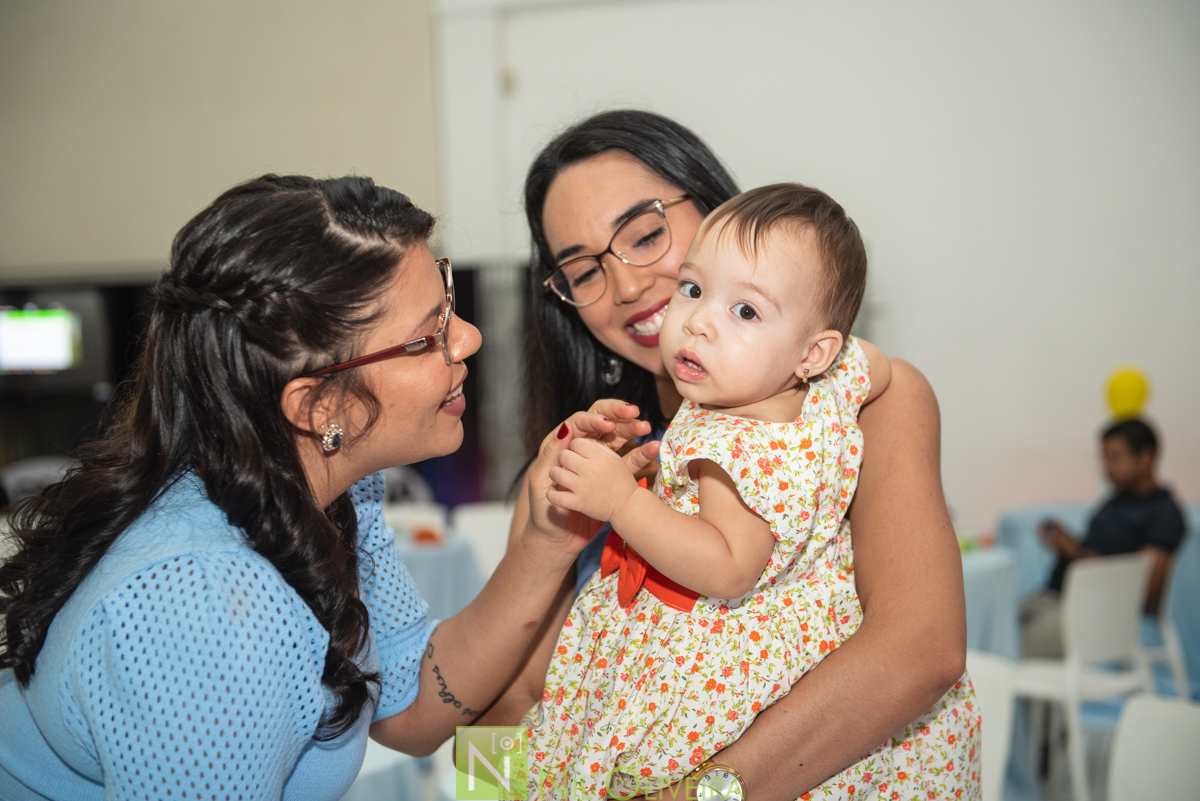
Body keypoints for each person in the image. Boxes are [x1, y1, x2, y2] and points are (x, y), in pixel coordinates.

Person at [0, 175, 647, 800]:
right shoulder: (207, 603)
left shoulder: (330, 488)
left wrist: (546, 539)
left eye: (448, 302)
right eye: (427, 337)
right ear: (316, 407)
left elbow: (414, 707)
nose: (468, 338)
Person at [480, 110, 972, 801]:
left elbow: (923, 650)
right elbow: (510, 699)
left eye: (646, 234)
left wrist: (701, 796)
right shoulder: (588, 455)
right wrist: (490, 797)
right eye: (583, 271)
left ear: (718, 210)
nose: (626, 285)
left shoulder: (851, 410)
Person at [1022, 417, 1188, 659]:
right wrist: (1068, 544)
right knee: (984, 623)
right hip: (1054, 598)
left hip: (1091, 616)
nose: (1107, 468)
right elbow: (1097, 552)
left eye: (1116, 458)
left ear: (1146, 456)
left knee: (1013, 647)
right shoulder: (1114, 502)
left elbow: (1138, 590)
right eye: (1104, 459)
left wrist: (1075, 554)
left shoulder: (1164, 514)